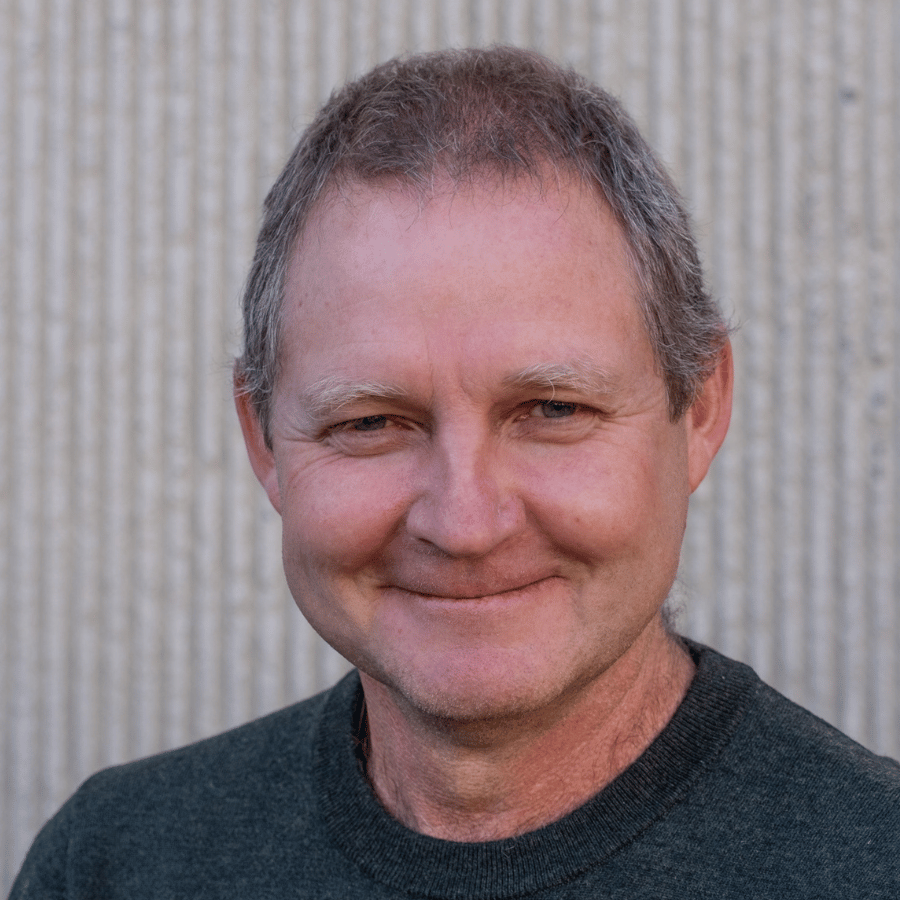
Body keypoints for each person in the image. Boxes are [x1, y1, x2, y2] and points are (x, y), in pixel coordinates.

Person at [10, 47, 899, 899]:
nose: (465, 522)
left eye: (553, 410)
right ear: (264, 440)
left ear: (698, 409)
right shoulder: (116, 867)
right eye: (371, 422)